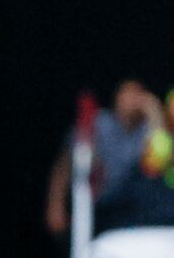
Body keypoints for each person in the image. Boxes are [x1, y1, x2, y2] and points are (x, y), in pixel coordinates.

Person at [45, 80, 166, 235]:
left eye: (137, 95)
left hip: (132, 214)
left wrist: (155, 113)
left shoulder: (147, 129)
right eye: (127, 93)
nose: (132, 100)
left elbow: (158, 164)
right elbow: (65, 166)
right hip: (97, 208)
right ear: (116, 97)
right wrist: (55, 206)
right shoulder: (98, 123)